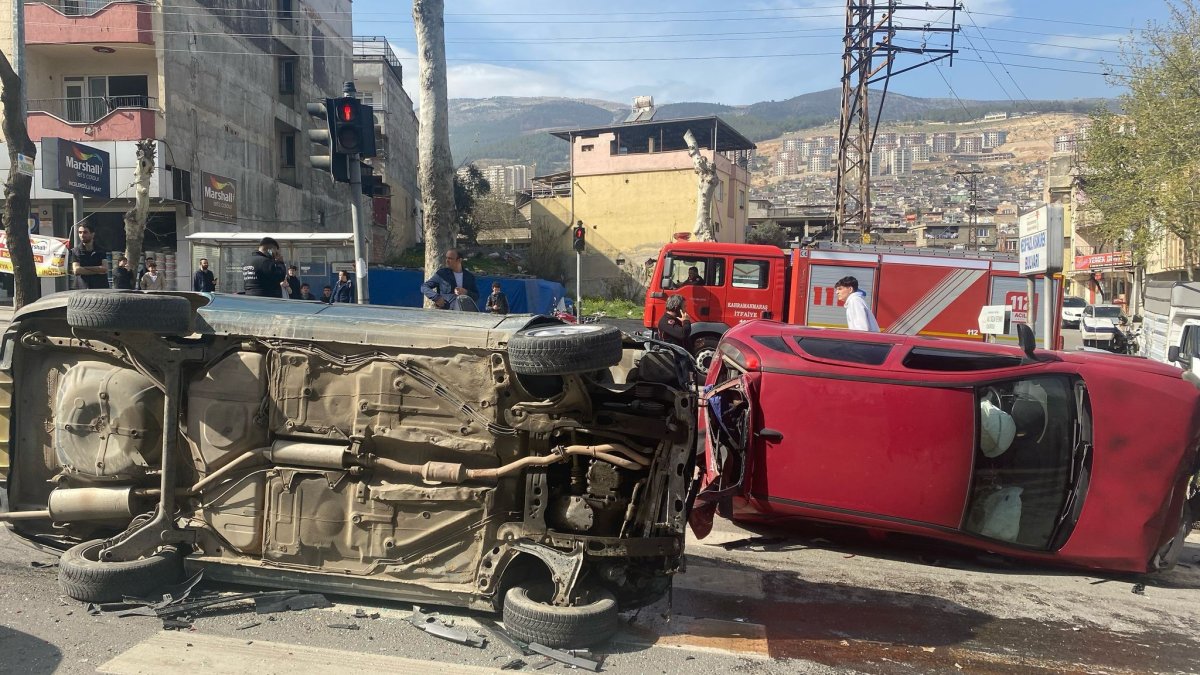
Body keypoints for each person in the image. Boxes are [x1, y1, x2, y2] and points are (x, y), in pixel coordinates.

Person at [71, 223, 109, 289]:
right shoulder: (75, 251)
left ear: (92, 234)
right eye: (80, 232)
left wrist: (83, 269)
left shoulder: (101, 250)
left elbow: (104, 269)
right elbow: (76, 270)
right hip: (81, 288)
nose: (82, 235)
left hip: (100, 288)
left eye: (85, 232)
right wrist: (97, 270)